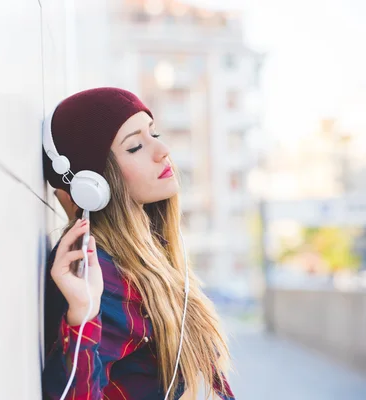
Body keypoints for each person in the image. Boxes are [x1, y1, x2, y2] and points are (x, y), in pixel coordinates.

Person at [41, 87, 235, 400]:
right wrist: (83, 314)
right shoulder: (97, 272)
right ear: (93, 184)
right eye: (135, 147)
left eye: (154, 133)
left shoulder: (149, 257)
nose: (163, 149)